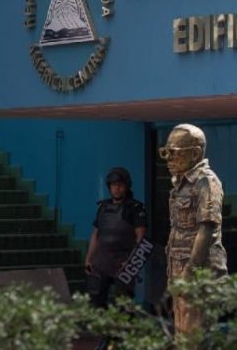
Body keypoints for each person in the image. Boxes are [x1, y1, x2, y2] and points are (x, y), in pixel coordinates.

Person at [161, 124, 228, 344]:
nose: (169, 159)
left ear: (195, 153)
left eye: (174, 153)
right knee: (183, 337)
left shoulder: (206, 181)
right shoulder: (180, 184)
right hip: (179, 270)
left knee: (195, 339)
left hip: (198, 273)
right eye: (165, 153)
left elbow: (206, 228)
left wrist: (190, 271)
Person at [85, 167, 147, 308]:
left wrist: (132, 263)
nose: (117, 188)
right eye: (113, 185)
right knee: (95, 305)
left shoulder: (135, 208)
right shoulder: (103, 207)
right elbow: (96, 234)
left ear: (126, 186)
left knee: (124, 307)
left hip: (124, 264)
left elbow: (141, 238)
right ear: (109, 187)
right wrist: (89, 258)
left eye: (120, 185)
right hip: (101, 262)